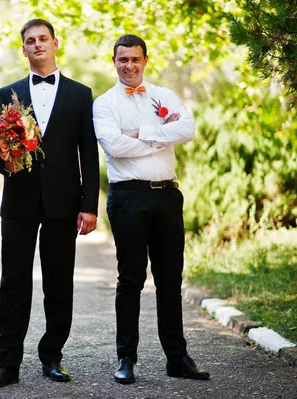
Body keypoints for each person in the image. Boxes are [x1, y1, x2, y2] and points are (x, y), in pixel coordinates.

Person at [0, 19, 100, 389]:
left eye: (43, 39)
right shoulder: (8, 91)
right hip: (18, 202)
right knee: (13, 283)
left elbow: (88, 154)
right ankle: (7, 364)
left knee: (59, 284)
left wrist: (89, 205)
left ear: (55, 43)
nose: (37, 45)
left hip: (64, 205)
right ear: (24, 49)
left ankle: (52, 358)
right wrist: (7, 158)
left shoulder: (81, 94)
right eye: (30, 41)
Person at [93, 34, 210, 384]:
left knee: (170, 280)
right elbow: (115, 147)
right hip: (128, 198)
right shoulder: (104, 103)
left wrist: (142, 132)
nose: (129, 65)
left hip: (167, 196)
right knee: (130, 279)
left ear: (146, 60)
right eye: (123, 59)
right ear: (113, 61)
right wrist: (161, 136)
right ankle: (126, 358)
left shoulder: (164, 95)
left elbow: (186, 129)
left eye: (135, 59)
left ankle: (177, 358)